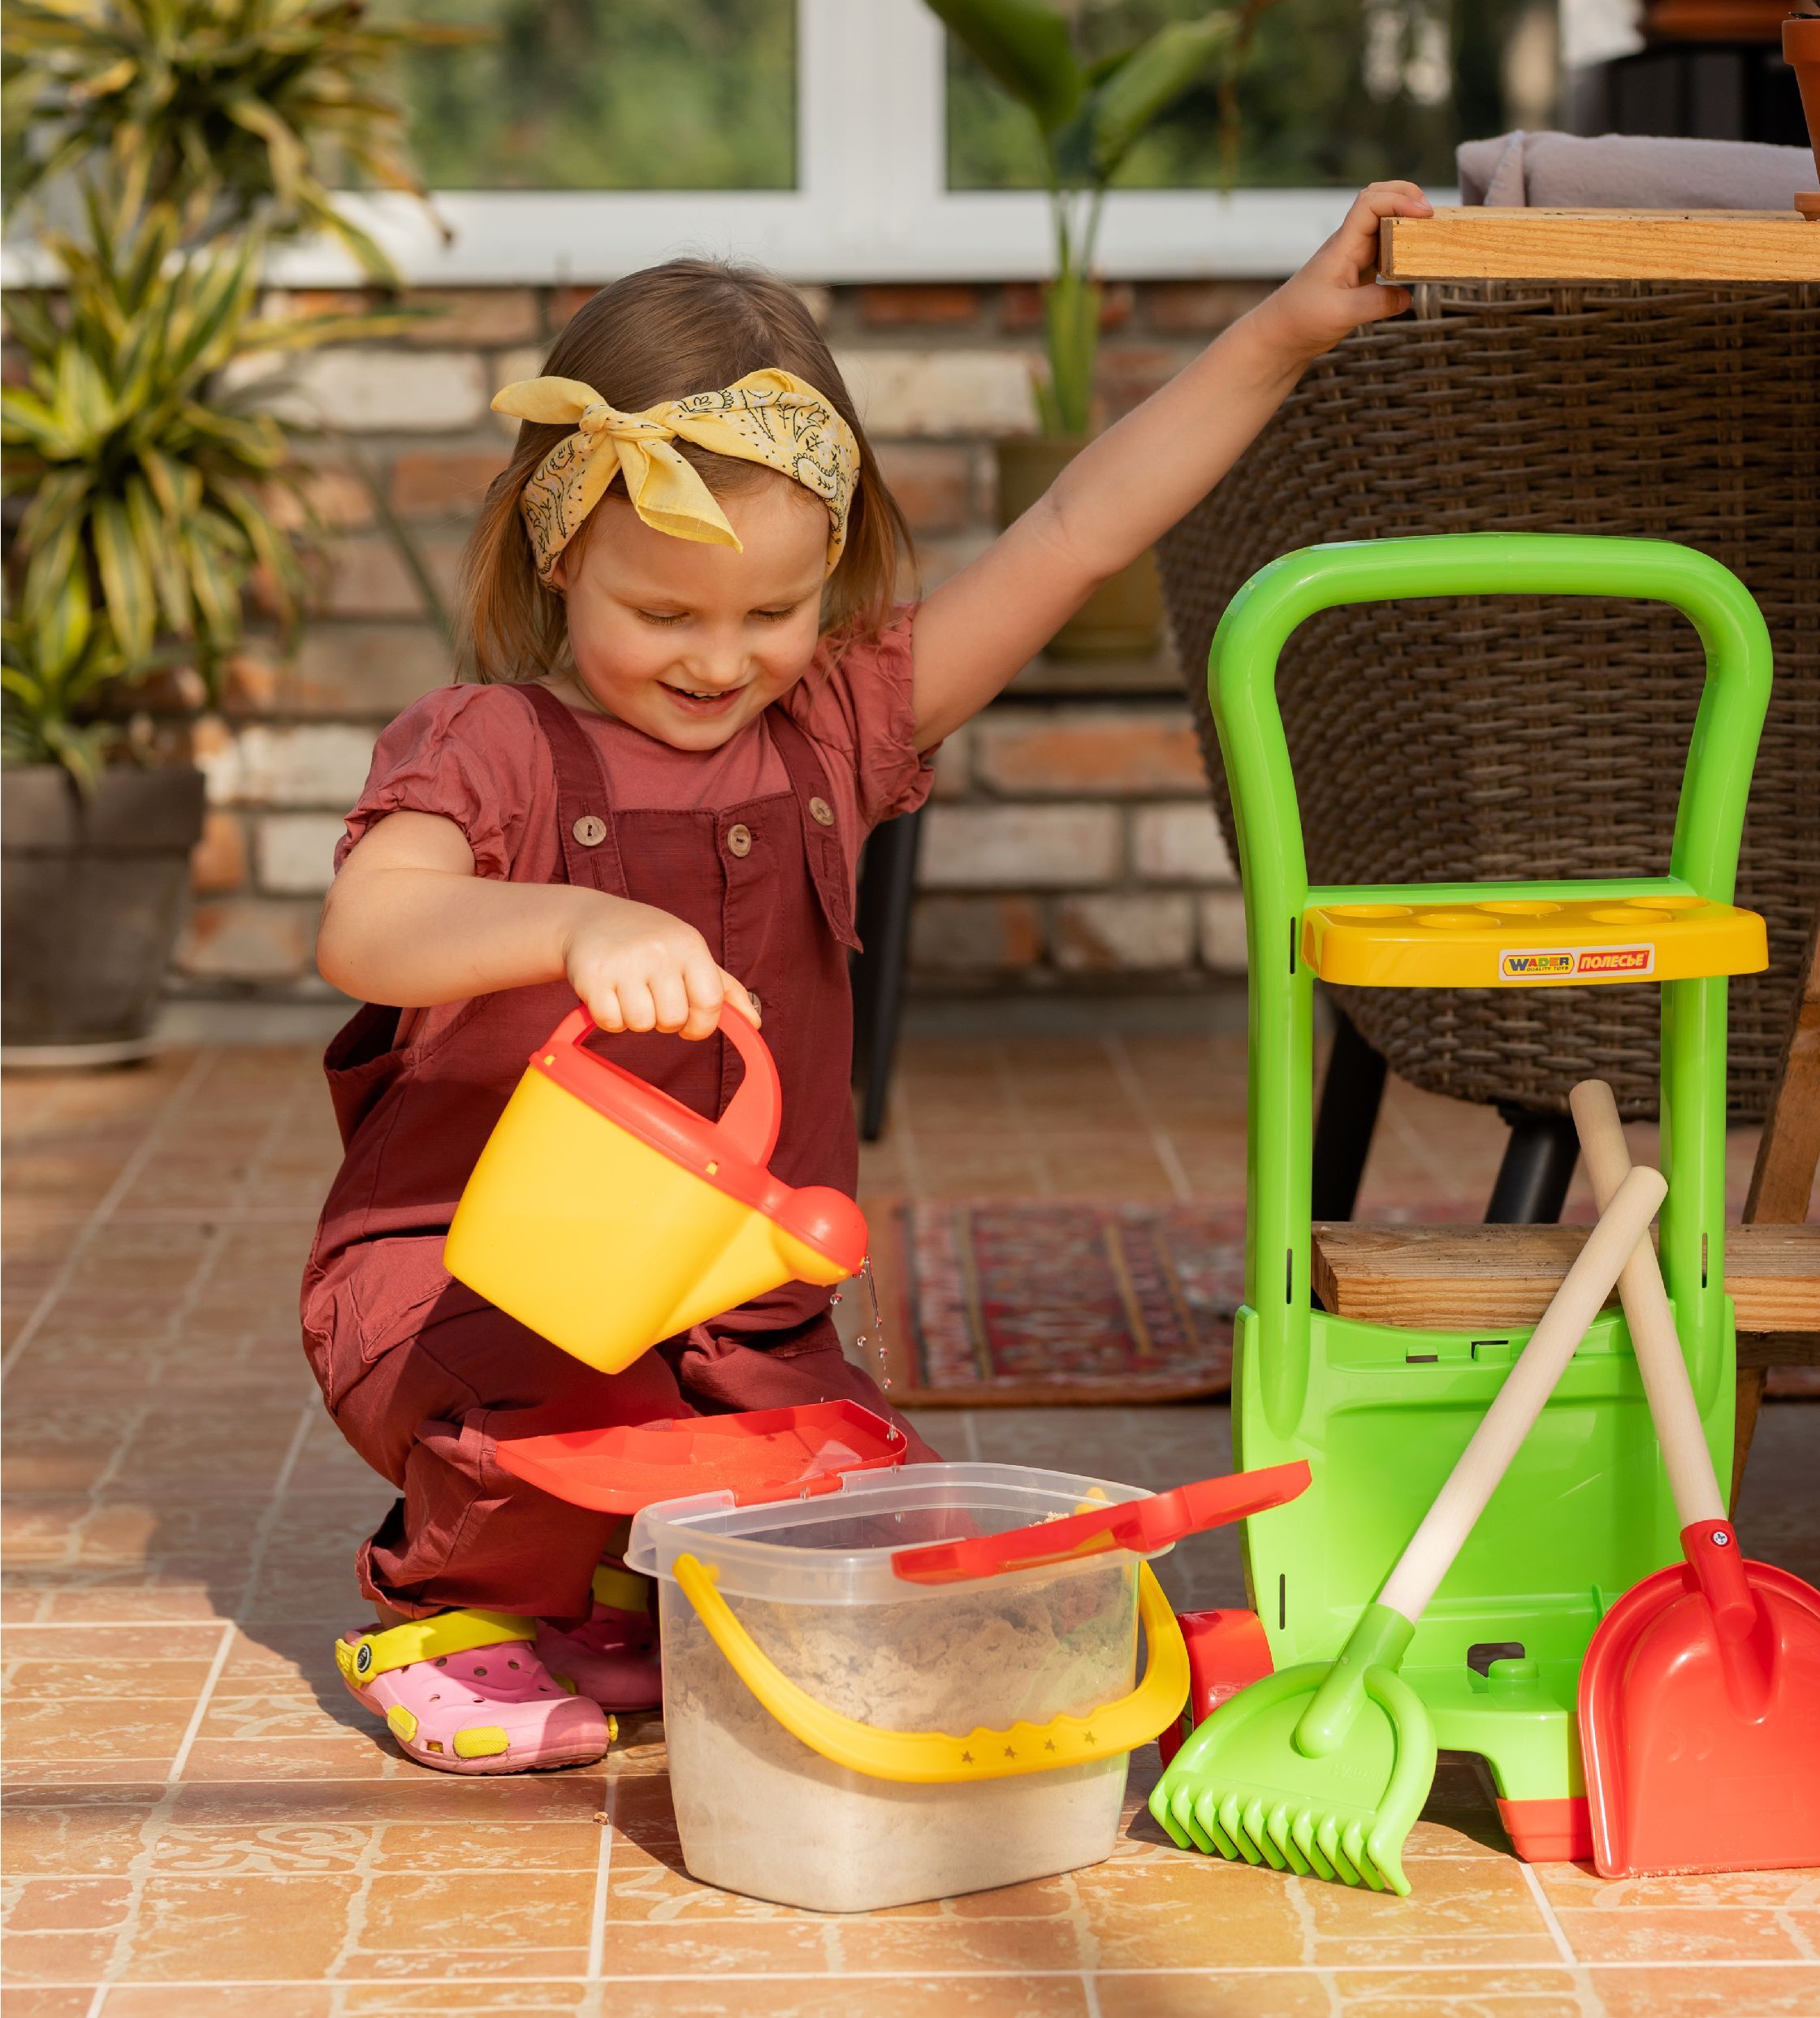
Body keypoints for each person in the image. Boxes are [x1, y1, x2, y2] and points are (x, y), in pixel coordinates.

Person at [308, 182, 1433, 1774]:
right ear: (561, 557)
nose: (719, 656)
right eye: (662, 611)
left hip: (731, 1316)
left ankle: (630, 1593)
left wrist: (1284, 329)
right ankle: (451, 1613)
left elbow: (1078, 525)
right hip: (463, 1290)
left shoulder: (835, 727)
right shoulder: (489, 747)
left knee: (860, 1500)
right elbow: (368, 925)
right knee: (558, 1410)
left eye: (773, 608)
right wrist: (566, 923)